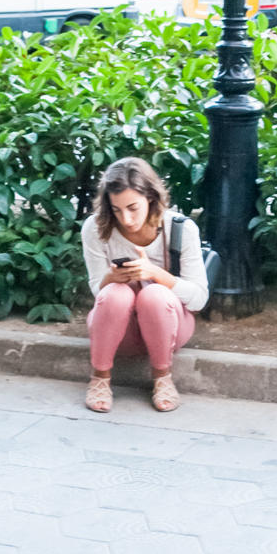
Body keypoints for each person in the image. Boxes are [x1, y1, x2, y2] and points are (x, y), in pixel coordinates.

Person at [81, 157, 209, 414]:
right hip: (118, 329)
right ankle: (100, 378)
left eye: (132, 207)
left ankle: (163, 377)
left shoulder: (181, 229)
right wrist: (111, 279)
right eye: (116, 210)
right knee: (115, 294)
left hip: (169, 326)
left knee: (154, 295)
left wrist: (157, 275)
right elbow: (98, 292)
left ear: (150, 197)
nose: (126, 219)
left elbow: (199, 299)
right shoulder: (96, 228)